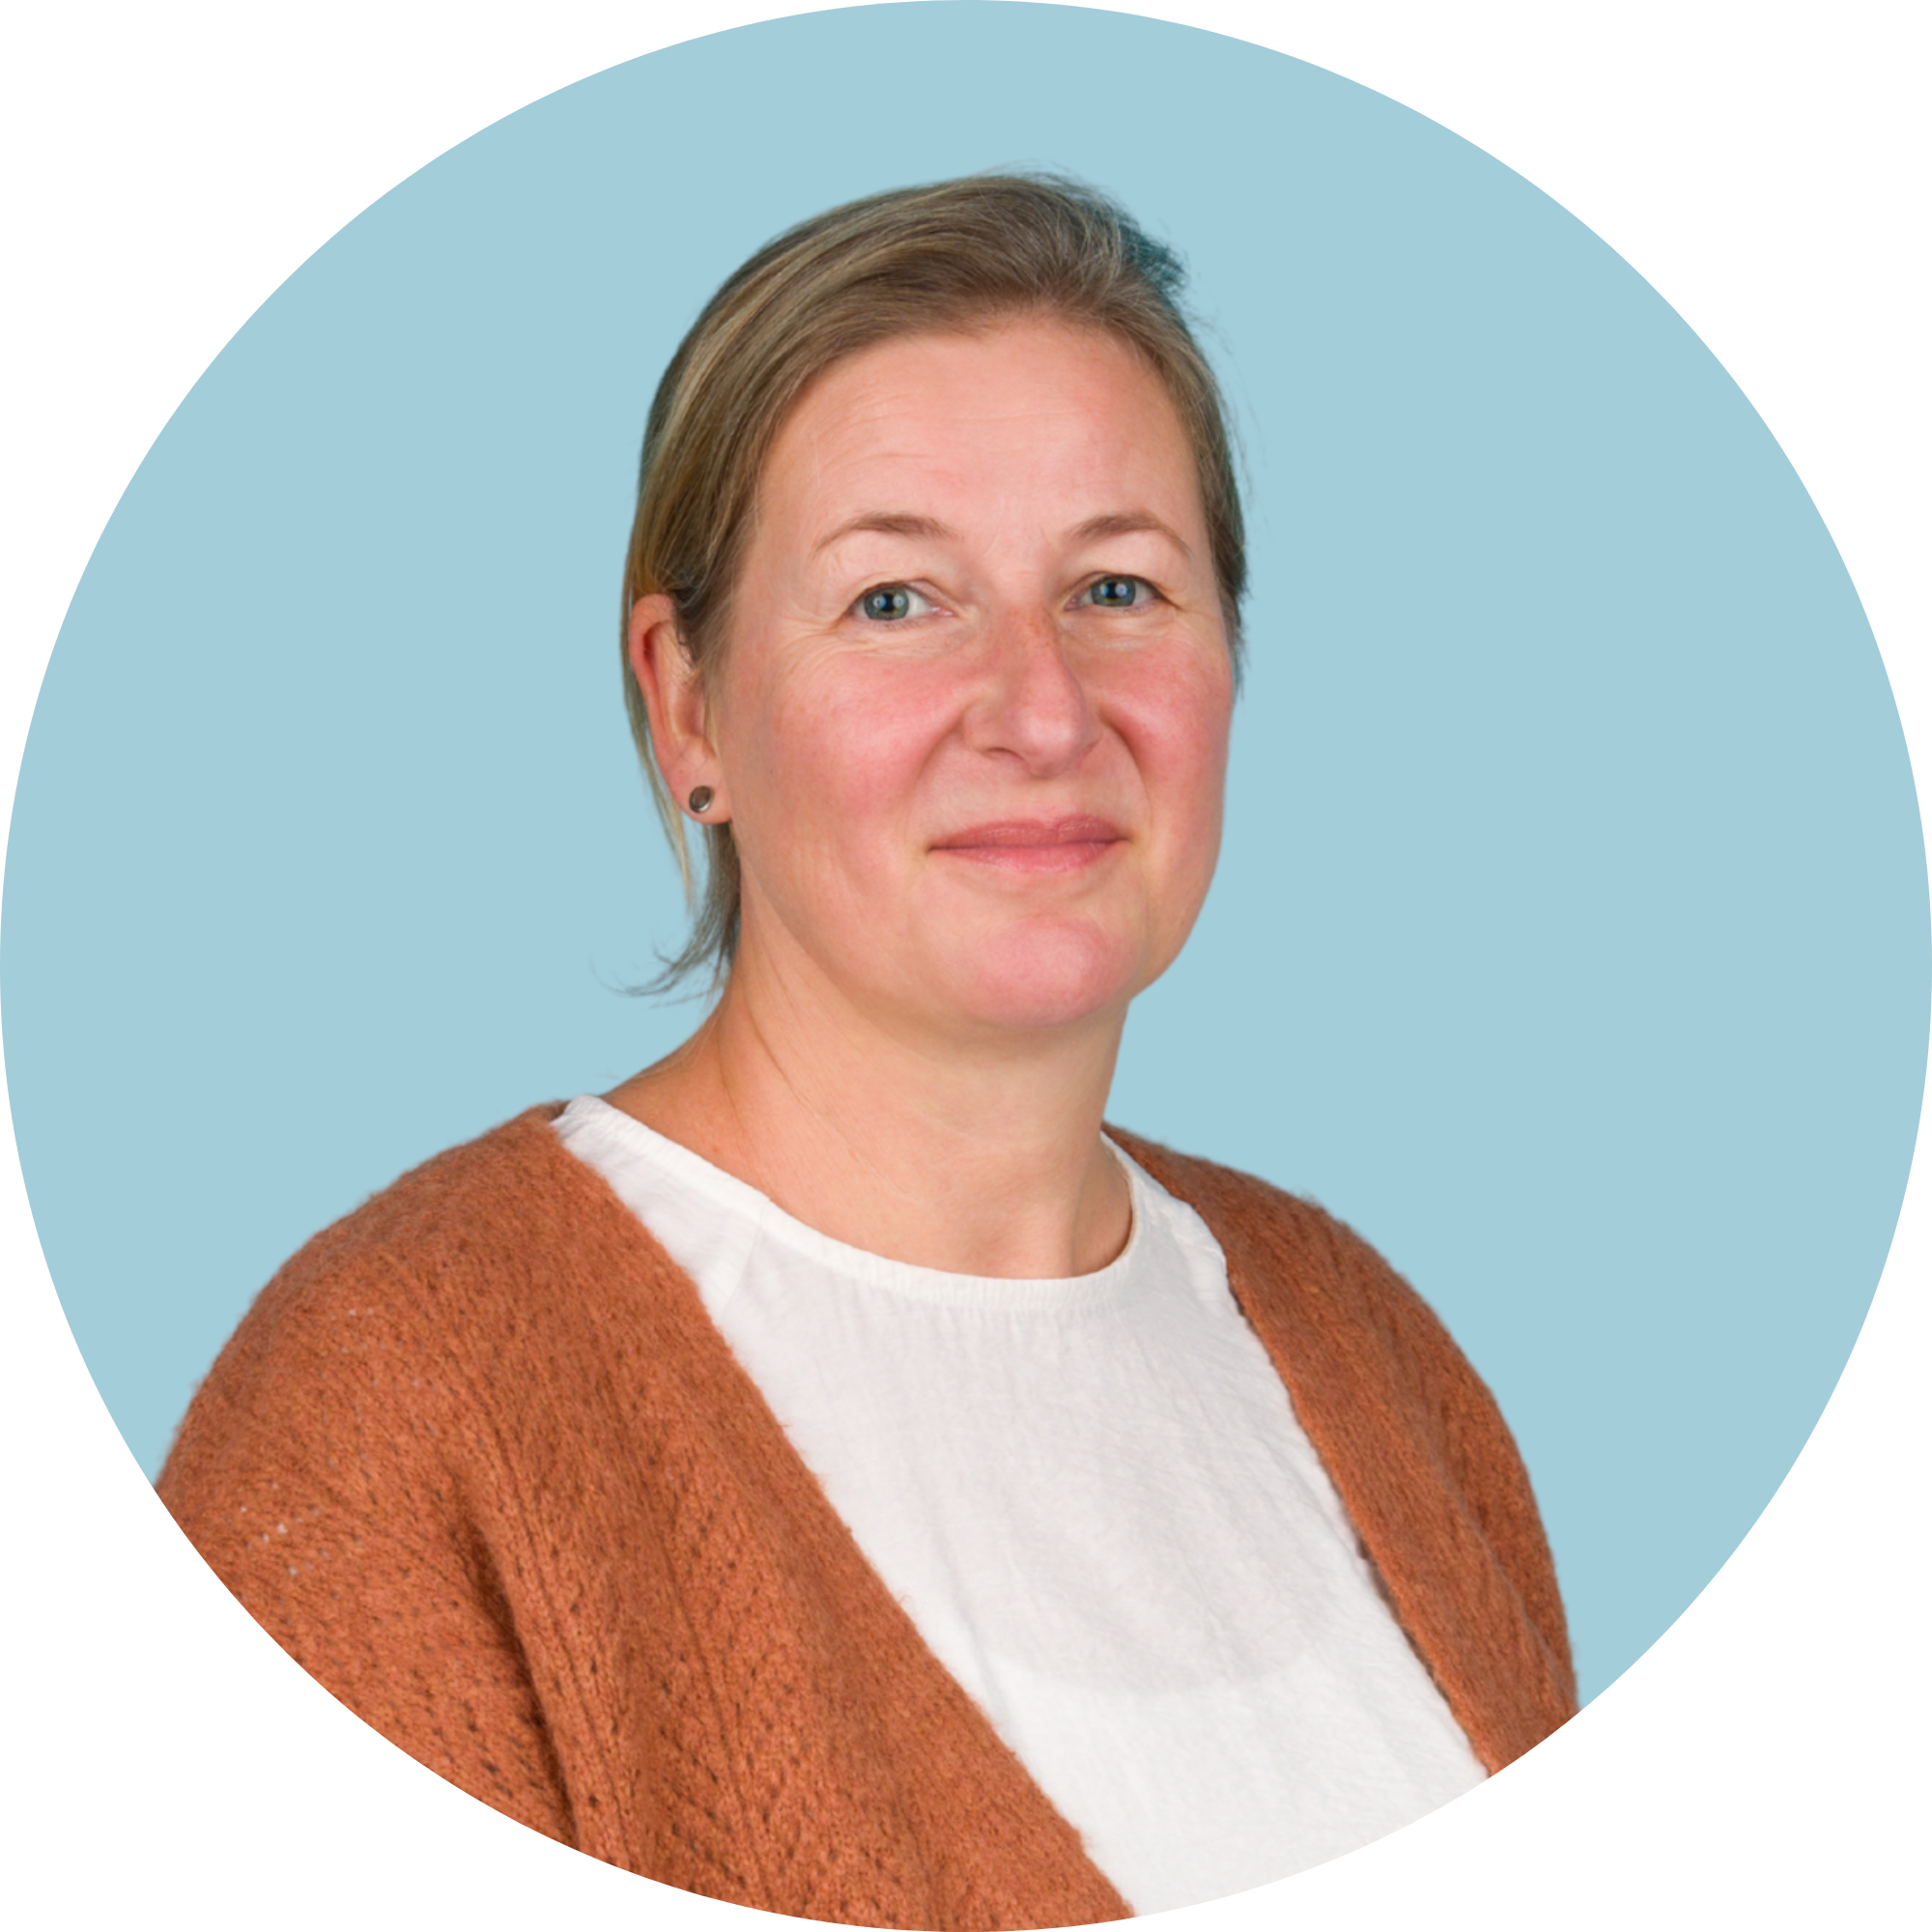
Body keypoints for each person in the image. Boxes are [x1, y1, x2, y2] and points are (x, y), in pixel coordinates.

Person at [158, 174, 1575, 1925]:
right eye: (897, 600)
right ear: (689, 704)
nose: (1043, 710)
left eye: (1119, 586)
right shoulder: (391, 1418)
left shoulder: (1376, 1355)